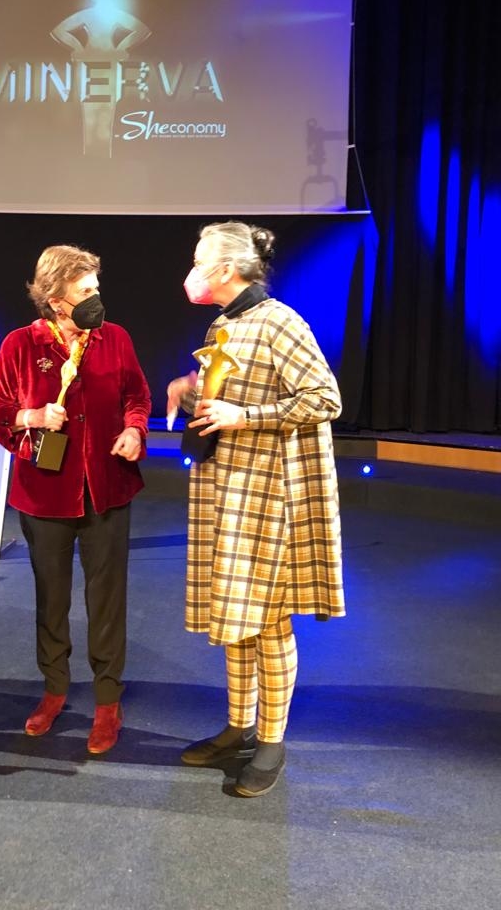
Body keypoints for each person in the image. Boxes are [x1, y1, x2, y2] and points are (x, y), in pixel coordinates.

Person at [167, 221, 344, 798]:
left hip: (270, 494)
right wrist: (190, 391)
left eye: (200, 260)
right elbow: (228, 394)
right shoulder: (226, 323)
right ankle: (239, 726)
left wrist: (245, 417)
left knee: (267, 621)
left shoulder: (279, 322)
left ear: (226, 269)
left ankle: (271, 740)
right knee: (237, 614)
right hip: (230, 488)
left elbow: (324, 398)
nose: (192, 271)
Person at [0, 245, 151, 755]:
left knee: (107, 600)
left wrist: (135, 429)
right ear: (56, 300)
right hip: (44, 494)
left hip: (107, 489)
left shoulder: (116, 338)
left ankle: (107, 701)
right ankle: (54, 689)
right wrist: (32, 417)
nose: (97, 297)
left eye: (97, 287)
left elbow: (137, 396)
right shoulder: (20, 344)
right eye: (85, 290)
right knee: (51, 600)